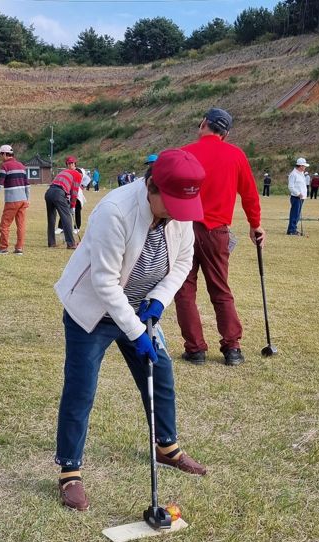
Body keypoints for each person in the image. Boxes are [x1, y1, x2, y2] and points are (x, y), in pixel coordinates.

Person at [53, 148, 208, 511]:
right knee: (81, 387)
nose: (175, 215)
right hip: (92, 311)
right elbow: (105, 282)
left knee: (161, 372)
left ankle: (166, 447)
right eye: (168, 203)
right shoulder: (115, 211)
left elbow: (184, 260)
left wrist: (157, 300)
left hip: (141, 310)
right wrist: (136, 333)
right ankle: (69, 471)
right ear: (151, 187)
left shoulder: (179, 208)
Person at [175, 108, 265, 367]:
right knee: (220, 289)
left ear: (204, 123)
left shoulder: (185, 153)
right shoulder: (236, 155)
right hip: (217, 232)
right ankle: (232, 347)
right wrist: (255, 225)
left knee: (184, 289)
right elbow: (249, 195)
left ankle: (195, 349)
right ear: (225, 133)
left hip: (184, 229)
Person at [0, 145, 29, 255]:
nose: (0, 157)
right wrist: (27, 199)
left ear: (5, 154)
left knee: (4, 225)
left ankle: (3, 248)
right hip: (23, 200)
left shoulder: (5, 166)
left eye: (1, 155)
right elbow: (27, 185)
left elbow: (0, 182)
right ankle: (19, 248)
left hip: (12, 200)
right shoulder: (21, 166)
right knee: (21, 225)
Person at [45, 156, 81, 249]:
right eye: (69, 163)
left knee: (51, 219)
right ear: (67, 165)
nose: (71, 165)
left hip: (49, 192)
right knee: (66, 218)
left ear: (75, 164)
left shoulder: (62, 172)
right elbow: (74, 192)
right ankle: (71, 243)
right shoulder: (77, 174)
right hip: (58, 192)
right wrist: (73, 206)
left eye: (72, 163)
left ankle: (51, 243)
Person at [287, 157, 309, 235]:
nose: (305, 167)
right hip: (296, 197)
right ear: (300, 166)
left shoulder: (301, 173)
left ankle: (294, 228)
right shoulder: (293, 174)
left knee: (297, 214)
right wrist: (298, 193)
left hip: (301, 197)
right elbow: (290, 187)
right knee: (294, 214)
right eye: (304, 166)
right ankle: (291, 230)